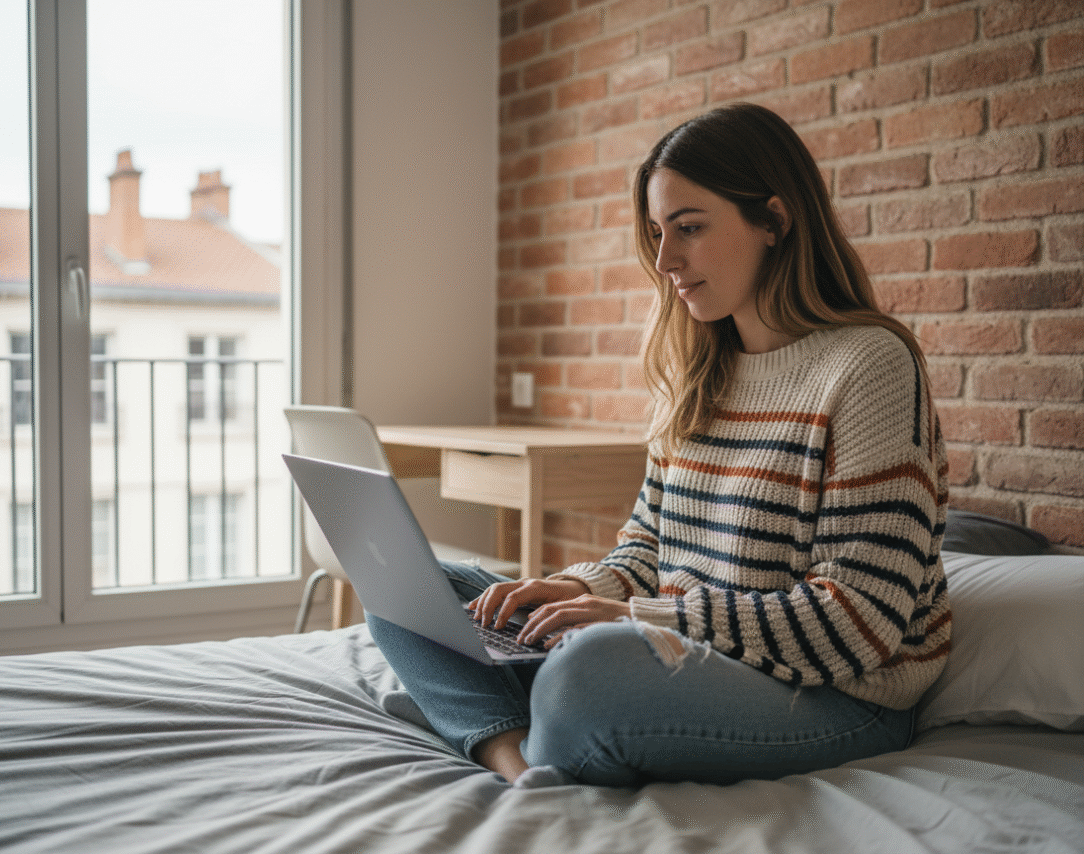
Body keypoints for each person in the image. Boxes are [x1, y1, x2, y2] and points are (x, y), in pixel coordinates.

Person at [367, 102, 950, 789]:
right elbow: (649, 546)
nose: (666, 260)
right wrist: (578, 587)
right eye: (656, 232)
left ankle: (509, 711)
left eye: (690, 228)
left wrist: (632, 618)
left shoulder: (869, 365)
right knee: (409, 590)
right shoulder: (697, 369)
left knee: (589, 673)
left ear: (774, 221)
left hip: (840, 694)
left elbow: (859, 623)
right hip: (689, 648)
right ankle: (517, 754)